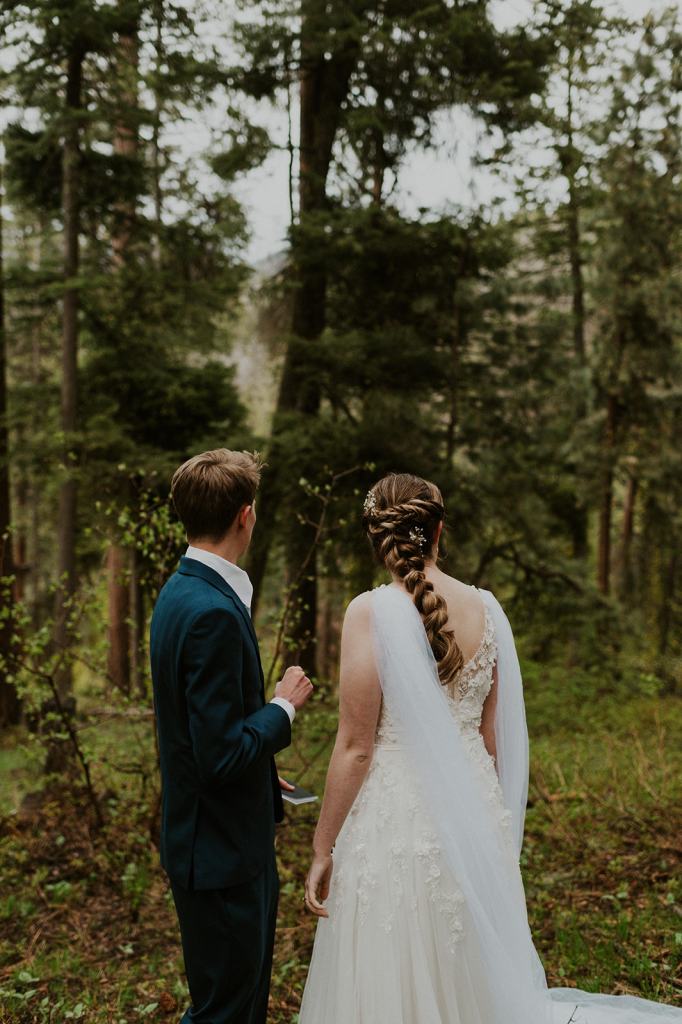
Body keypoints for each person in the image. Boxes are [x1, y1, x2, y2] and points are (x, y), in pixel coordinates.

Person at [299, 472, 681, 1024]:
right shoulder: (487, 608)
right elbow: (491, 737)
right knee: (467, 957)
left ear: (377, 537)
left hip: (395, 816)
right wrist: (491, 829)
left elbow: (356, 747)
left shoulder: (369, 612)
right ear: (438, 530)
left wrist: (322, 847)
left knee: (398, 957)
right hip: (474, 807)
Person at [150, 448, 313, 1024]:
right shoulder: (213, 612)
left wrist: (262, 766)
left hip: (209, 840)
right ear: (246, 515)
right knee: (227, 1012)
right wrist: (281, 709)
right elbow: (219, 756)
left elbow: (199, 734)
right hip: (220, 855)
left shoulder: (180, 589)